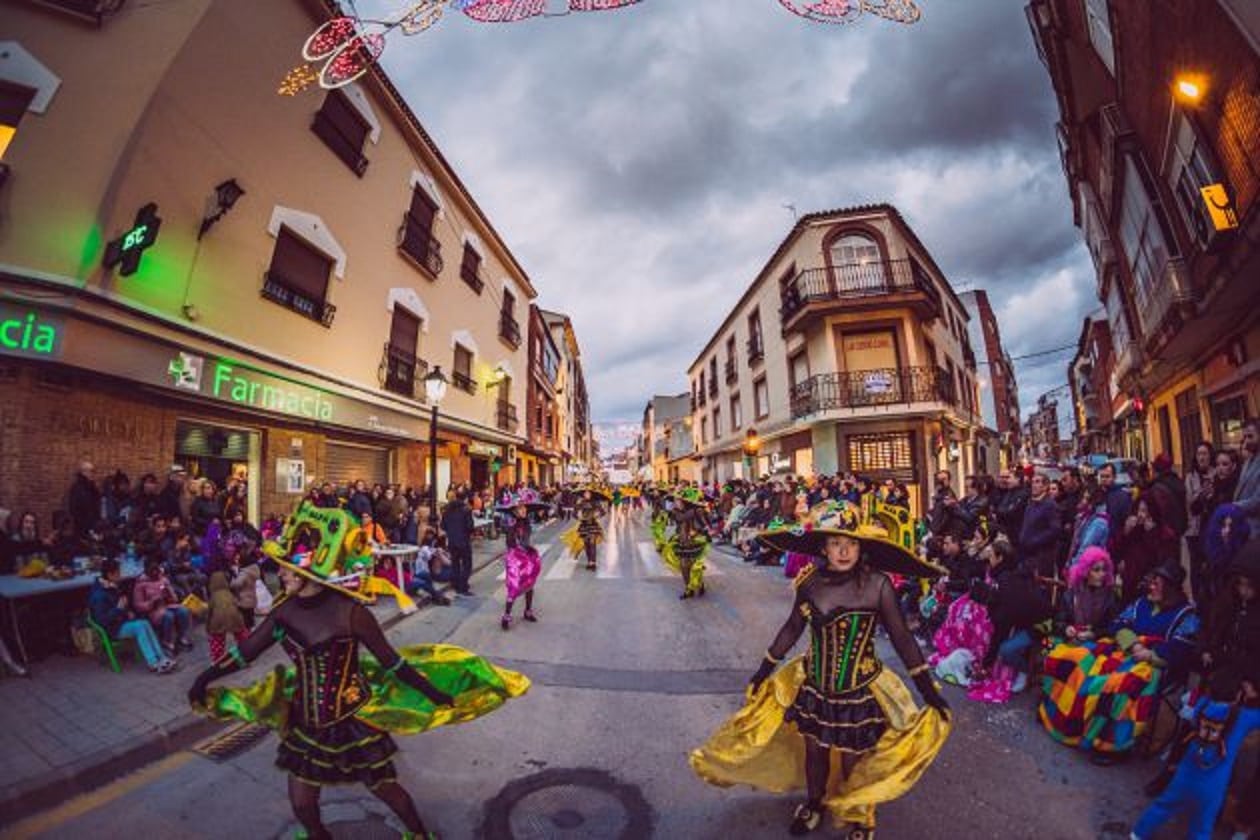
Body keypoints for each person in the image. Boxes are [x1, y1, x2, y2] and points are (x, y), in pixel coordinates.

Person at [189, 502, 529, 840]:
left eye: (288, 571)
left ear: (310, 575)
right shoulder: (285, 611)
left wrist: (434, 693)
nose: (282, 575)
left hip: (351, 719)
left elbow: (393, 663)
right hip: (306, 723)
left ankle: (418, 835)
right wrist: (205, 677)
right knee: (303, 805)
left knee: (386, 790)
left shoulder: (351, 613)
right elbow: (248, 651)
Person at [690, 501, 950, 837]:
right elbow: (792, 628)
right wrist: (762, 670)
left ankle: (858, 816)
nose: (843, 551)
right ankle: (815, 803)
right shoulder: (810, 583)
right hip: (815, 685)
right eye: (835, 543)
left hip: (860, 688)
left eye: (851, 543)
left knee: (854, 757)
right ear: (823, 546)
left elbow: (902, 638)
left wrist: (928, 690)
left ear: (861, 546)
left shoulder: (878, 585)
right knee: (817, 752)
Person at [1040, 563, 1199, 760]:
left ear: (1170, 588)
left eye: (1157, 584)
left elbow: (1181, 649)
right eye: (1152, 582)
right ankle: (1057, 714)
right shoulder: (1142, 603)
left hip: (1154, 664)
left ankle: (1112, 746)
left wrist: (1150, 655)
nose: (1151, 587)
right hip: (1125, 649)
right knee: (1075, 659)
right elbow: (1119, 624)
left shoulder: (1186, 614)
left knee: (1119, 684)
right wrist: (1133, 645)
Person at [972, 537, 1052, 695]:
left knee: (1005, 650)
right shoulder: (1007, 576)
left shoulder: (1006, 582)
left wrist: (986, 664)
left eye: (992, 556)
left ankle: (1027, 672)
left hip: (1040, 626)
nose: (989, 560)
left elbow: (1002, 627)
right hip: (1022, 621)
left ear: (1000, 558)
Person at [88, 558, 177, 674]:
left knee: (144, 623)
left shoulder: (111, 586)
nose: (120, 575)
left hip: (120, 622)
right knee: (140, 626)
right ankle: (153, 663)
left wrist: (125, 611)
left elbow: (119, 608)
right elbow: (103, 620)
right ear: (110, 574)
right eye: (118, 573)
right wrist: (119, 609)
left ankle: (162, 658)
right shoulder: (99, 595)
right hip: (112, 629)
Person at [1113, 496, 1178, 603]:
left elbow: (1161, 560)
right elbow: (1117, 550)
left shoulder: (1165, 535)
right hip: (1129, 585)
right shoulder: (1135, 530)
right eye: (1138, 510)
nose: (1140, 514)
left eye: (1144, 511)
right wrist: (1125, 532)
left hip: (1149, 588)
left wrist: (1151, 534)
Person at [1053, 546, 1121, 644]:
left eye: (1104, 569)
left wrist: (1094, 634)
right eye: (1096, 570)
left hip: (1098, 646)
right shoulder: (1071, 594)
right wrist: (1066, 629)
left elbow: (1115, 626)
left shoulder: (1111, 596)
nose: (1102, 574)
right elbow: (1058, 622)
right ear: (1086, 571)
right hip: (1071, 643)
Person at [499, 489, 544, 630]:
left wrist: (527, 547)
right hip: (514, 558)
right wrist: (512, 531)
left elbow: (526, 538)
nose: (523, 510)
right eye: (519, 508)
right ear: (514, 511)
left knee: (530, 584)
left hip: (526, 556)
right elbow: (510, 543)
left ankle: (528, 611)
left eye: (524, 508)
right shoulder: (511, 524)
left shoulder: (526, 523)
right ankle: (506, 615)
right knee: (514, 586)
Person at [131, 556, 192, 657]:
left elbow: (175, 598)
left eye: (156, 570)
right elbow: (138, 605)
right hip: (154, 610)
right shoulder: (140, 585)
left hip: (168, 605)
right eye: (152, 570)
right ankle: (167, 642)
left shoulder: (163, 579)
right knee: (168, 616)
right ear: (146, 570)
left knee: (183, 611)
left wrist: (169, 594)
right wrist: (151, 602)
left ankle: (181, 637)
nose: (155, 573)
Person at [663, 487, 710, 599]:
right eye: (676, 500)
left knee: (695, 568)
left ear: (686, 501)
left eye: (678, 500)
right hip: (683, 542)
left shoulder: (698, 511)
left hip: (696, 543)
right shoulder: (677, 512)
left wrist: (697, 531)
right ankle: (689, 589)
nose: (676, 502)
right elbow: (678, 521)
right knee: (684, 566)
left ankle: (699, 584)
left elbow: (706, 526)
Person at [1018, 473, 1060, 580]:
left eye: (1037, 482)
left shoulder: (1050, 505)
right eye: (1032, 482)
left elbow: (1054, 530)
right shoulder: (1031, 503)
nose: (1033, 485)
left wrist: (1034, 541)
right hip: (1026, 553)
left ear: (1045, 486)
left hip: (1040, 555)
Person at [205, 569, 248, 663]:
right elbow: (237, 604)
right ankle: (247, 648)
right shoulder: (229, 594)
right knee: (240, 633)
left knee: (217, 638)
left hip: (218, 620)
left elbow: (209, 613)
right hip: (234, 616)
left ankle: (217, 658)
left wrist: (208, 627)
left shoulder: (213, 597)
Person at [441, 489, 475, 597]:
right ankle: (463, 586)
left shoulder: (447, 510)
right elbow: (470, 526)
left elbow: (443, 526)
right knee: (467, 564)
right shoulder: (466, 510)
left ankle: (456, 584)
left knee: (455, 564)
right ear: (464, 499)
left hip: (452, 541)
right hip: (464, 541)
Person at [562, 488, 606, 571]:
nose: (587, 495)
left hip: (593, 524)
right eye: (585, 493)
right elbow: (574, 514)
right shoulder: (580, 502)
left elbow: (603, 512)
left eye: (588, 493)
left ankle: (593, 562)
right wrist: (578, 515)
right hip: (583, 525)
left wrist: (598, 514)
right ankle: (589, 561)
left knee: (592, 543)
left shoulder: (595, 502)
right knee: (586, 544)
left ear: (591, 494)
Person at [1234, 418, 1260, 538]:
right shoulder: (1248, 461)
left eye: (1250, 436)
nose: (1246, 441)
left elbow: (1257, 501)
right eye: (1244, 437)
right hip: (1245, 528)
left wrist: (1232, 507)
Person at [67, 460, 101, 538]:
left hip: (93, 526)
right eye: (91, 471)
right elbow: (75, 509)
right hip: (82, 527)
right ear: (84, 472)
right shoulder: (78, 489)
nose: (93, 474)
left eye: (93, 471)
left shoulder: (92, 488)